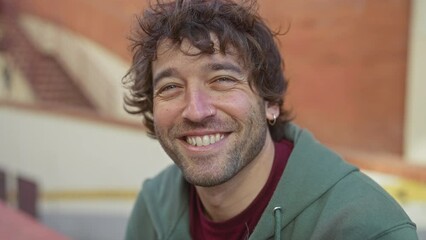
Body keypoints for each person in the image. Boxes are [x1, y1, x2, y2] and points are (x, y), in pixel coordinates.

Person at [123, 0, 418, 239]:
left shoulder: (363, 227)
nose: (196, 111)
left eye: (222, 80)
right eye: (170, 87)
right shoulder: (154, 209)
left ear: (270, 102)